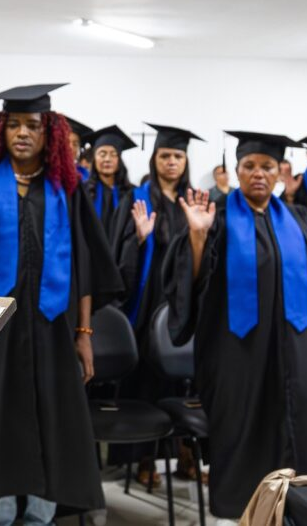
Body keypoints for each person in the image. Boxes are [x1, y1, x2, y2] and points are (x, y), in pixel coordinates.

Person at [0, 83, 123, 526]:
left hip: (54, 329)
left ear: (50, 134)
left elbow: (84, 269)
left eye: (33, 125)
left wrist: (84, 336)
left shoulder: (67, 190)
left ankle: (42, 513)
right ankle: (1, 510)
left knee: (53, 420)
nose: (22, 133)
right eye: (13, 125)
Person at [163, 131, 307, 519]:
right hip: (236, 353)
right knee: (244, 431)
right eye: (249, 167)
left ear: (280, 172)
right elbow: (190, 283)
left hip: (297, 348)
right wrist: (197, 238)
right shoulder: (217, 217)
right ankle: (245, 511)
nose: (258, 174)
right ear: (237, 171)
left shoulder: (300, 220)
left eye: (267, 167)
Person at [110, 123, 203, 486]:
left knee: (186, 384)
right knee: (146, 383)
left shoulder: (193, 200)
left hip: (182, 300)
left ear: (185, 161)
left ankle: (186, 457)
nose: (171, 162)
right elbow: (120, 254)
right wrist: (138, 238)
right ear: (155, 159)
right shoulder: (137, 198)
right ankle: (145, 460)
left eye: (178, 156)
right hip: (148, 301)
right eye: (165, 155)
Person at [82, 124, 136, 240]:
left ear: (119, 160)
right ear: (94, 158)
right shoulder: (83, 191)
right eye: (102, 154)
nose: (107, 159)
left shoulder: (132, 193)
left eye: (113, 154)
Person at [64, 116, 93, 181]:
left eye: (75, 144)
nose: (71, 147)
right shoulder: (46, 171)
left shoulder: (86, 177)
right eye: (66, 142)